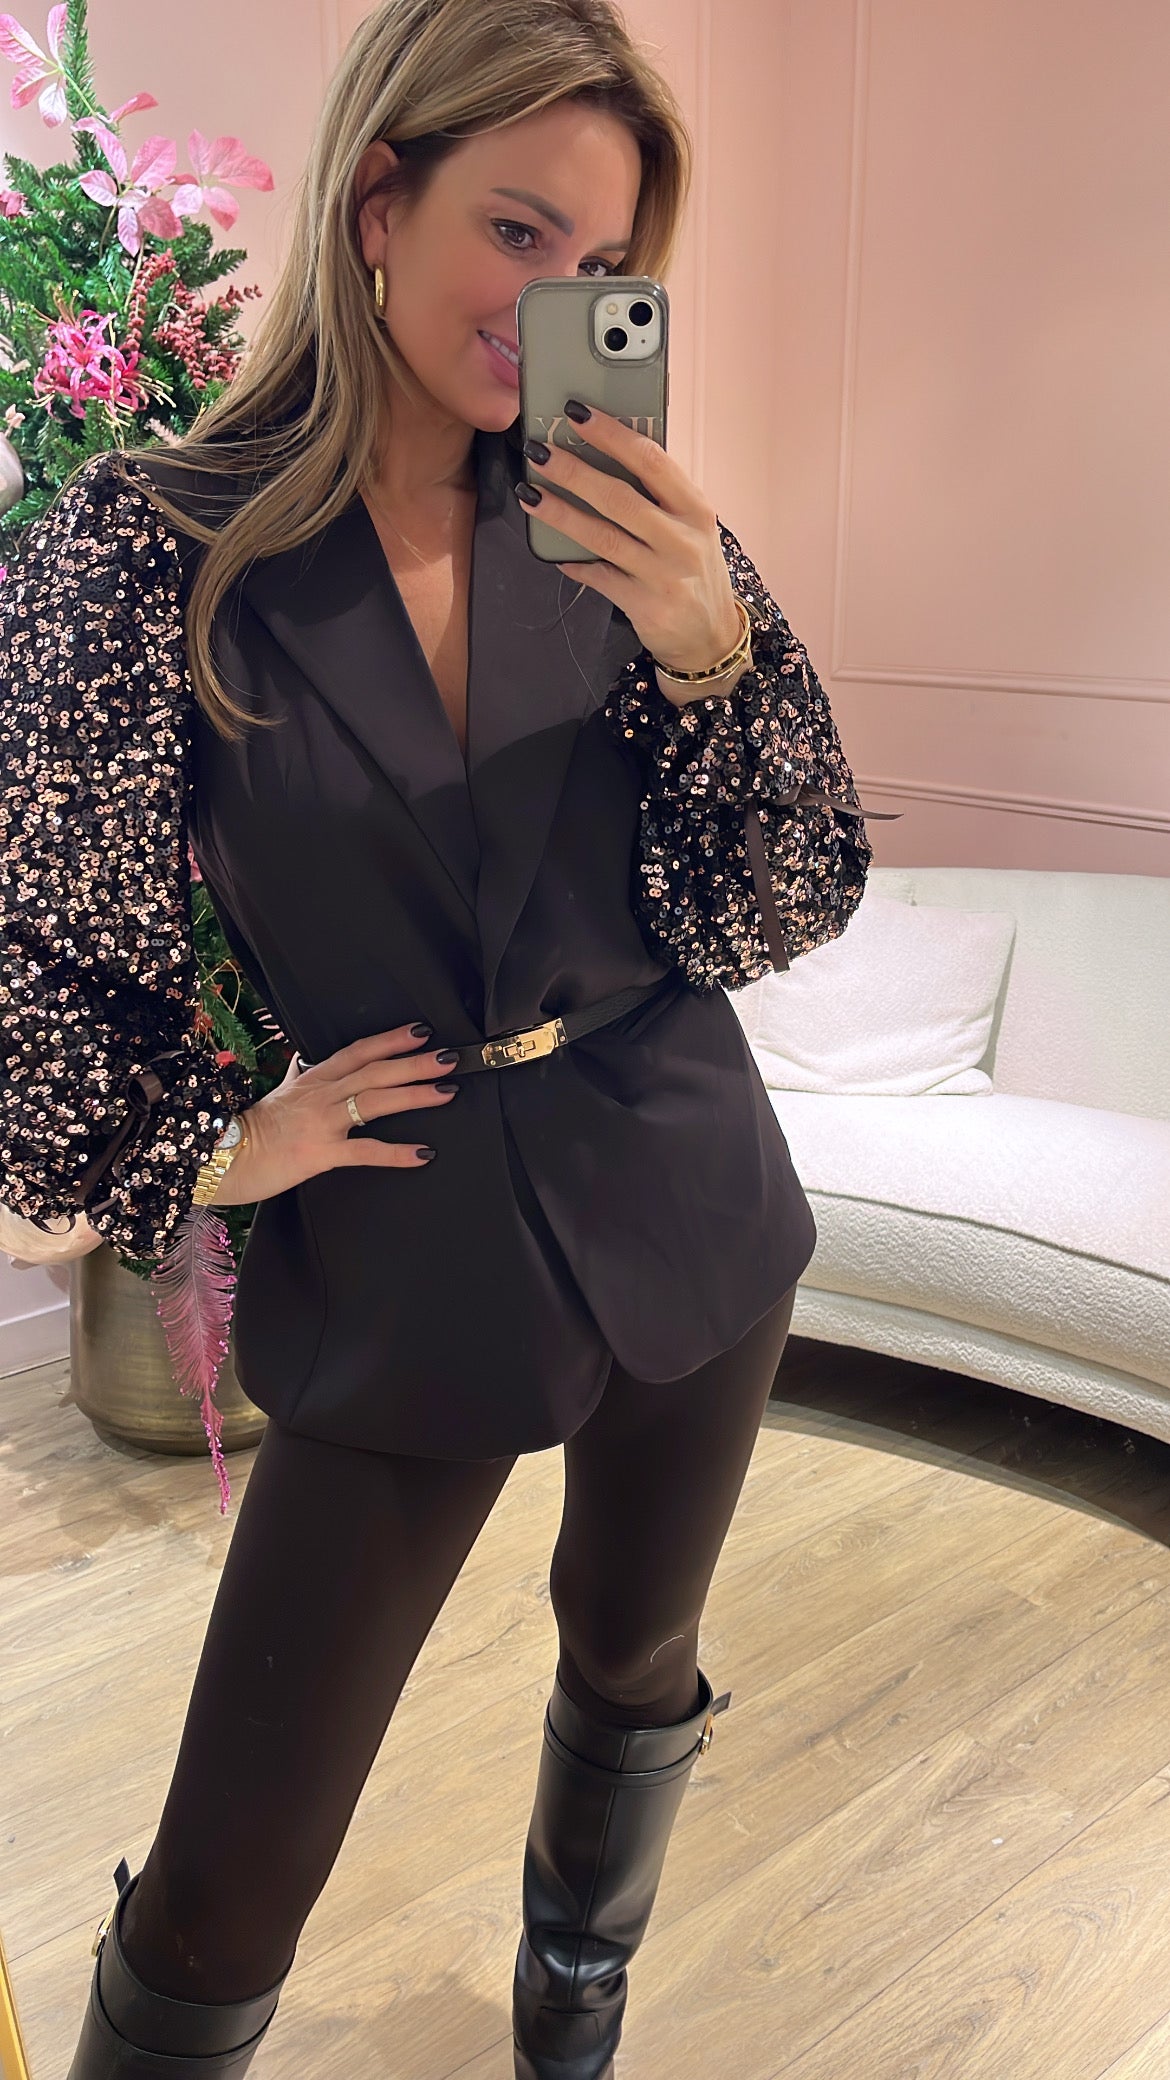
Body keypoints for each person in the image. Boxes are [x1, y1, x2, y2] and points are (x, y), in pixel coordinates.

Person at [0, 3, 869, 2074]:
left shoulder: (625, 526)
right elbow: (32, 958)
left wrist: (712, 650)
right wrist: (217, 1144)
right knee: (228, 1874)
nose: (556, 299)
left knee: (634, 1659)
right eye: (517, 230)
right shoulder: (146, 554)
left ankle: (575, 2003)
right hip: (397, 1247)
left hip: (687, 1191)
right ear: (377, 201)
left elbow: (778, 900)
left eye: (607, 265)